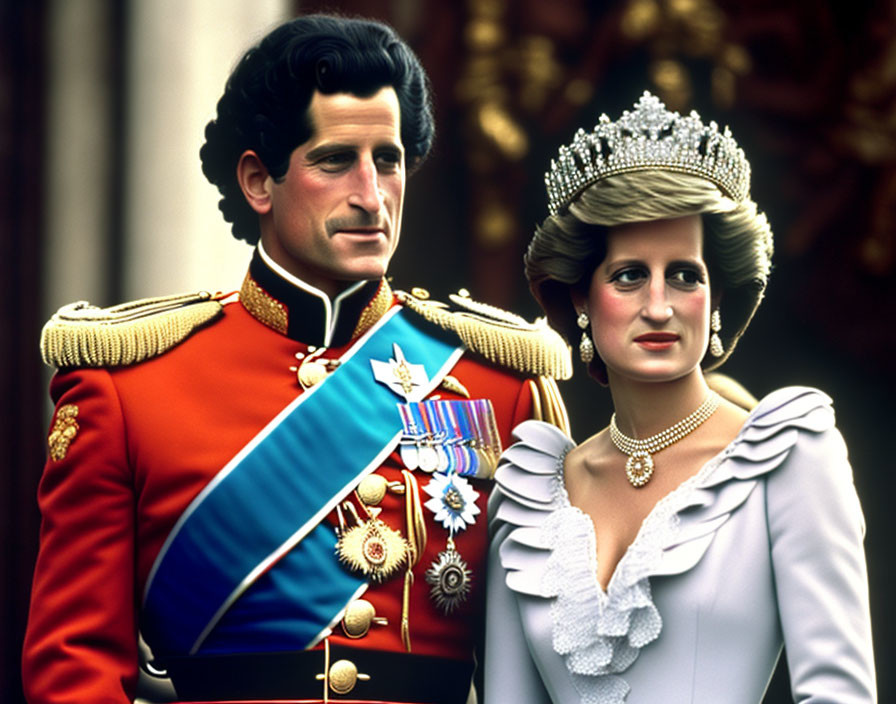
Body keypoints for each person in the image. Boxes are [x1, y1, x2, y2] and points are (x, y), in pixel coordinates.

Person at [23, 15, 572, 704]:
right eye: (336, 160)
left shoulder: (503, 385)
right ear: (259, 181)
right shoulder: (128, 389)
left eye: (390, 160)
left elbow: (548, 666)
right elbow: (76, 676)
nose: (373, 197)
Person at [485, 91, 876, 702]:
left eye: (686, 275)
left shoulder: (787, 457)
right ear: (582, 299)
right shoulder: (531, 492)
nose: (660, 306)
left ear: (716, 299)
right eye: (629, 275)